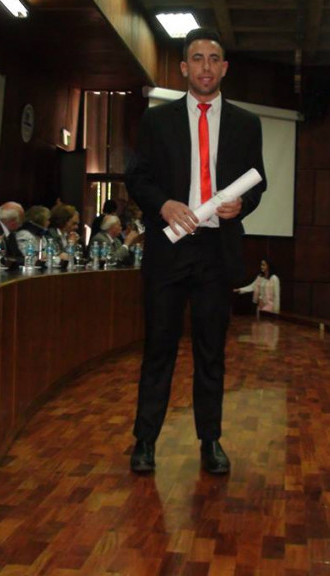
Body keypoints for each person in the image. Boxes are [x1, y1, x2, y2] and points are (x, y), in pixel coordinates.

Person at [124, 27, 266, 475]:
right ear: (185, 67)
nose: (206, 66)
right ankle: (145, 441)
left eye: (214, 59)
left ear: (224, 68)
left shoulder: (247, 123)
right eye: (197, 58)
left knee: (211, 352)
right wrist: (162, 204)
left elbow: (258, 180)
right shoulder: (157, 121)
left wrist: (243, 204)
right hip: (169, 249)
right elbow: (138, 178)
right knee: (159, 347)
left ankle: (211, 441)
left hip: (216, 251)